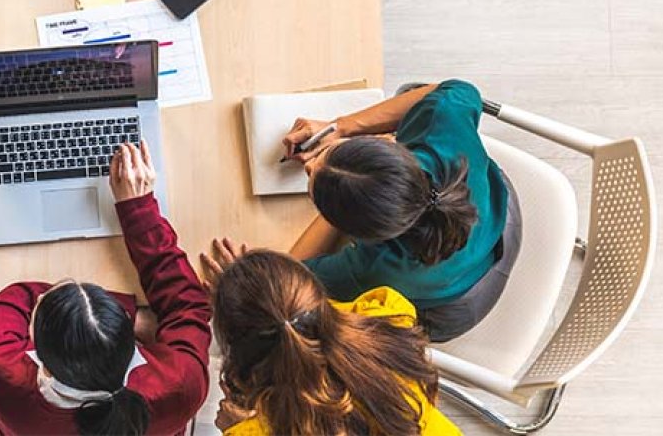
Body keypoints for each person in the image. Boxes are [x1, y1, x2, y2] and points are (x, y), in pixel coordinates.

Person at [282, 79, 522, 342]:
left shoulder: (374, 269)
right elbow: (459, 90)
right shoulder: (442, 128)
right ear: (389, 150)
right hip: (500, 221)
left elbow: (290, 279)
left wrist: (340, 208)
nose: (311, 164)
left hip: (454, 309)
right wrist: (339, 129)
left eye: (311, 174)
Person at [0, 142, 212, 435]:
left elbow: (16, 297)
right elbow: (188, 306)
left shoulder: (6, 380)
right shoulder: (181, 387)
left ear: (43, 364)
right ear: (132, 341)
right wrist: (139, 211)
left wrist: (130, 313)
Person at [200, 244, 461, 435]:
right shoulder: (389, 316)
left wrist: (234, 428)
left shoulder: (257, 429)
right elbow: (304, 321)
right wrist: (268, 297)